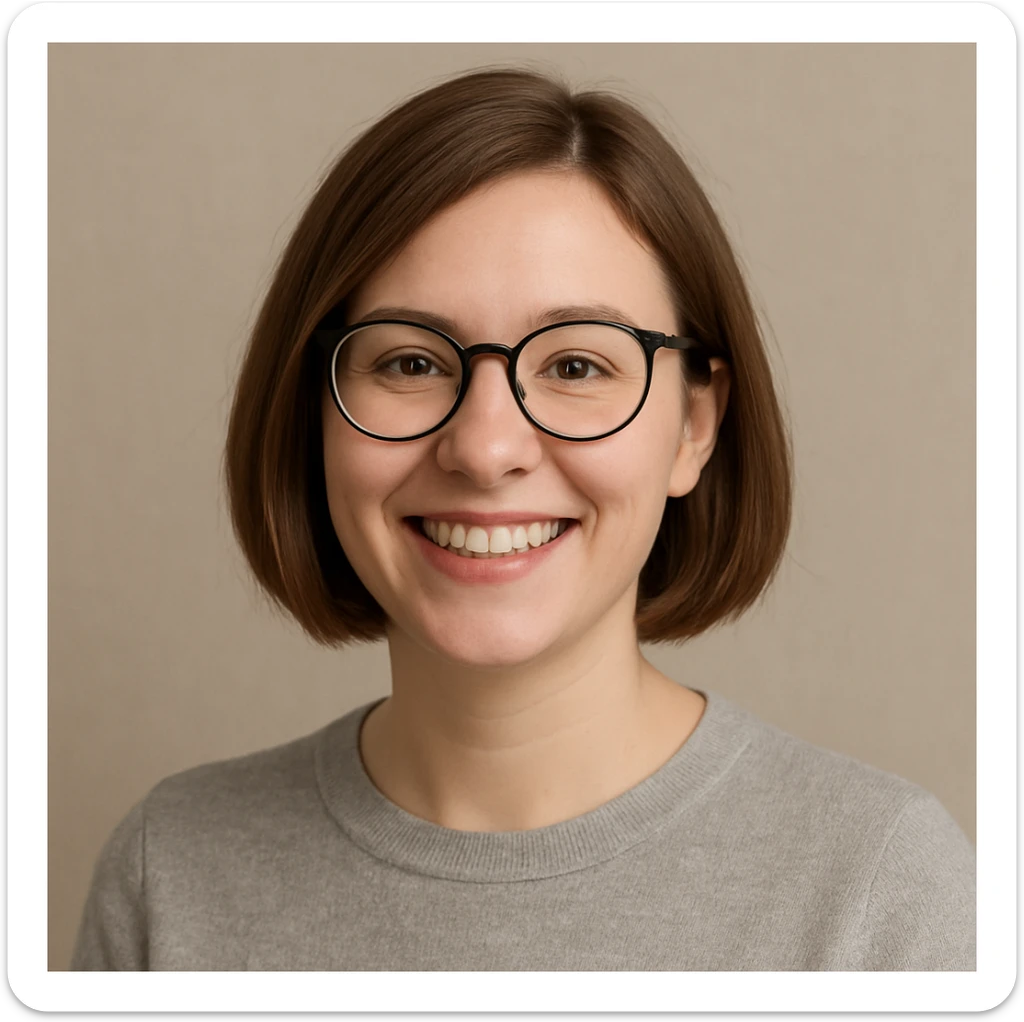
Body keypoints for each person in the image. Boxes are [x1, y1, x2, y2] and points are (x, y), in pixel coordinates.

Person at [70, 66, 975, 971]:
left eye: (577, 366)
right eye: (411, 363)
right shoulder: (170, 874)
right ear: (315, 408)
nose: (485, 447)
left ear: (695, 425)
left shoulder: (880, 891)